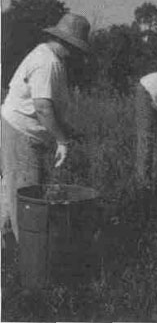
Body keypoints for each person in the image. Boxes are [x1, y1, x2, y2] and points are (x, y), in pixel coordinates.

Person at [1, 13, 91, 244]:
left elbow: (46, 107)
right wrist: (62, 140)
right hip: (21, 134)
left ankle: (9, 246)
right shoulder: (47, 63)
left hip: (20, 131)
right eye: (76, 49)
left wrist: (66, 130)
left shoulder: (48, 57)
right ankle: (28, 257)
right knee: (26, 196)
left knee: (12, 190)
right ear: (67, 43)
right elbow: (42, 107)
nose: (76, 55)